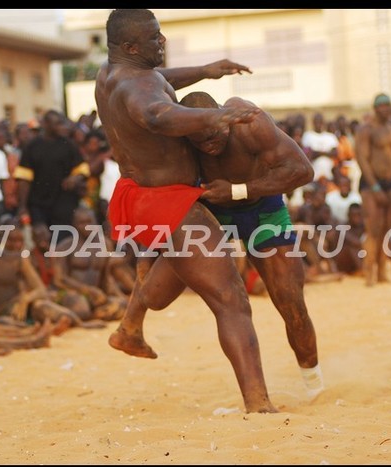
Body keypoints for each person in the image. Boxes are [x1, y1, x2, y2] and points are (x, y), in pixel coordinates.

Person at [95, 8, 276, 413]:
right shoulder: (138, 88)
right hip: (168, 202)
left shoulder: (112, 73)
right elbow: (158, 113)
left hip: (138, 193)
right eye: (155, 38)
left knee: (163, 289)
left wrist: (207, 71)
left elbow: (158, 82)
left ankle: (130, 327)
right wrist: (218, 114)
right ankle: (259, 404)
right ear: (130, 46)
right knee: (231, 300)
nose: (162, 42)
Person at [178, 91, 324, 399]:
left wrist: (239, 190)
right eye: (200, 142)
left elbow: (303, 171)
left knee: (291, 302)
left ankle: (314, 385)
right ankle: (131, 325)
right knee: (173, 284)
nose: (209, 147)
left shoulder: (250, 122)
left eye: (214, 136)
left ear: (225, 121)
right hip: (212, 210)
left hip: (261, 207)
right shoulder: (176, 136)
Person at [355, 93, 391, 286]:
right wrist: (374, 186)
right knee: (373, 229)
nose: (385, 109)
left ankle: (382, 271)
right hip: (372, 184)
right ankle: (369, 272)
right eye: (382, 106)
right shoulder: (366, 130)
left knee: (387, 230)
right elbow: (362, 159)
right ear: (375, 108)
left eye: (388, 105)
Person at [14, 110, 89, 243]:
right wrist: (23, 207)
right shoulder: (32, 146)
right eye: (58, 124)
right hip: (38, 204)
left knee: (63, 241)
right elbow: (24, 179)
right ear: (47, 125)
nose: (63, 127)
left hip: (64, 202)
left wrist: (75, 178)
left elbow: (83, 169)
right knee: (42, 240)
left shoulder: (69, 144)